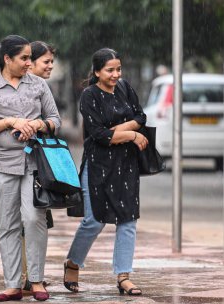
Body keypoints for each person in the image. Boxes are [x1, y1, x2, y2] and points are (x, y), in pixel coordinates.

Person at [0, 35, 61, 302]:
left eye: (30, 58)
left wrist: (36, 125)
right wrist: (10, 121)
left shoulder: (39, 85)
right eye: (23, 58)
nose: (28, 63)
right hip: (1, 165)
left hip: (34, 164)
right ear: (7, 59)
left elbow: (55, 119)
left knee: (34, 219)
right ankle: (12, 285)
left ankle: (36, 281)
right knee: (8, 225)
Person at [63, 48, 148, 296]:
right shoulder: (89, 96)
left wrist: (117, 131)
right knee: (94, 220)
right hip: (99, 165)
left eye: (118, 69)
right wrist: (131, 134)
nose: (115, 74)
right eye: (110, 70)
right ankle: (73, 262)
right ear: (97, 71)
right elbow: (99, 136)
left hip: (126, 164)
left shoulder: (124, 88)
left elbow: (140, 115)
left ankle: (123, 276)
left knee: (128, 219)